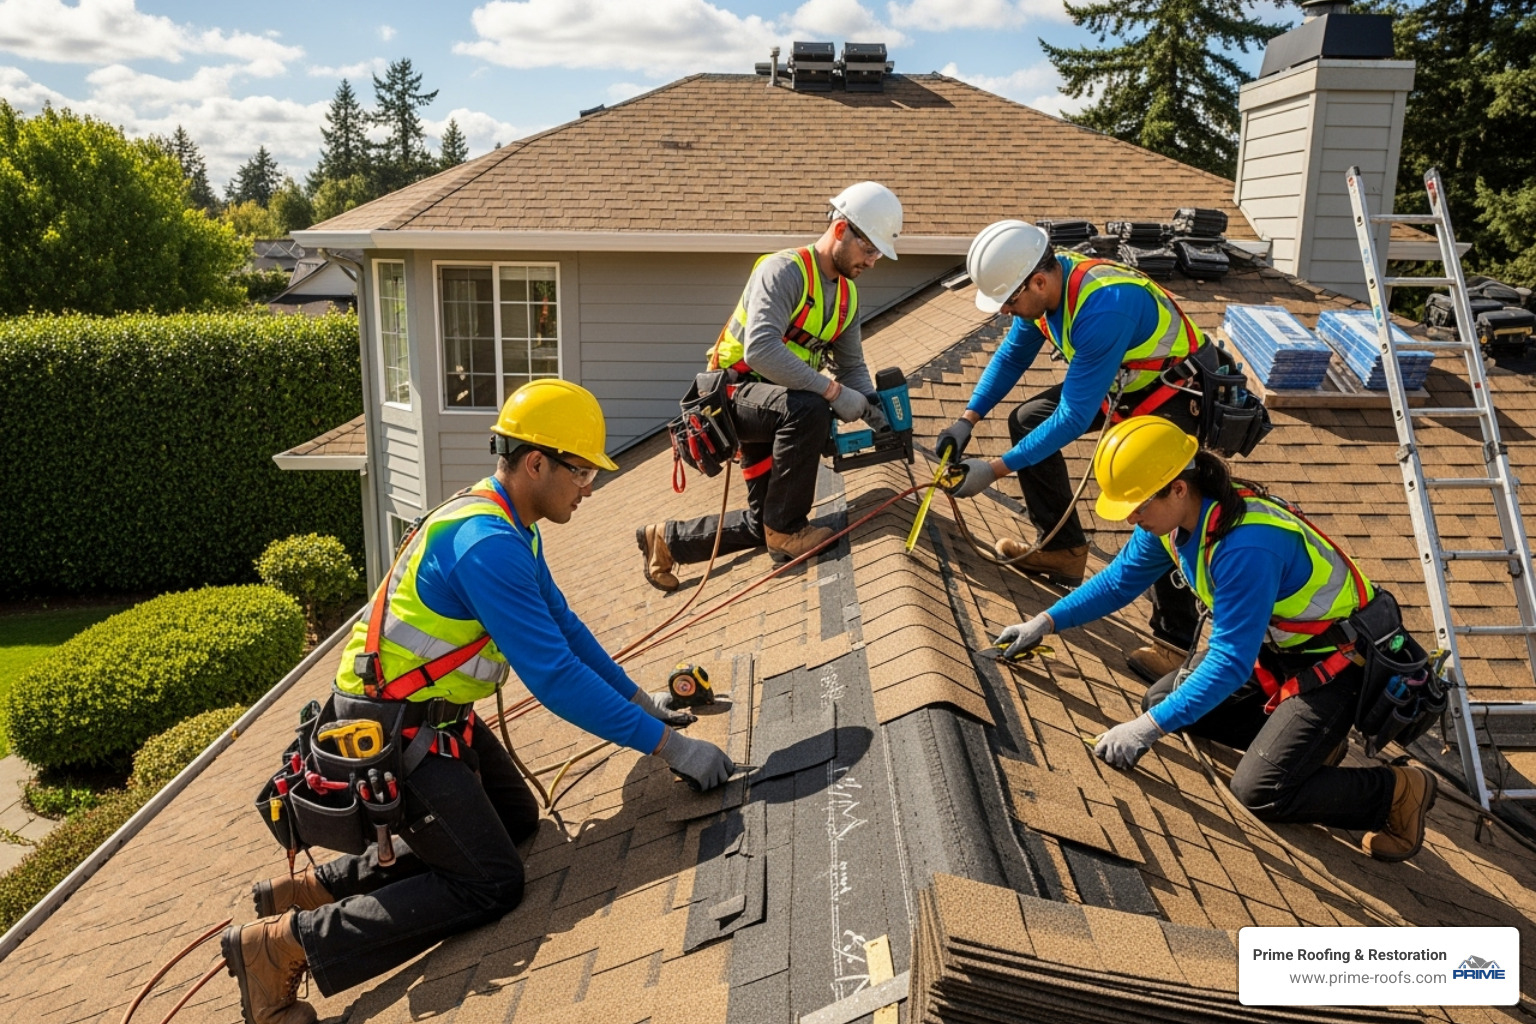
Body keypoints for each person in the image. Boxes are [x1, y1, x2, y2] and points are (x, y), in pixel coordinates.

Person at [222, 380, 735, 1024]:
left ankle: (320, 885)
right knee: (492, 882)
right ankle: (283, 946)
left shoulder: (508, 523)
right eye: (580, 471)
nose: (590, 486)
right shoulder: (486, 546)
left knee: (518, 820)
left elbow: (567, 631)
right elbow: (554, 678)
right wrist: (672, 747)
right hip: (391, 737)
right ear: (536, 463)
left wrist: (641, 699)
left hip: (430, 719)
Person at [994, 417, 1438, 863]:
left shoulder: (1247, 545)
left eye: (1137, 504)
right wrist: (1046, 622)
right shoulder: (1173, 523)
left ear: (1178, 489)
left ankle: (1396, 792)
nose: (1131, 517)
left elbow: (1229, 661)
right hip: (1281, 656)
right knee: (1162, 700)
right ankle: (1314, 746)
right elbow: (1118, 582)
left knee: (1260, 791)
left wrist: (1146, 733)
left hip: (1339, 669)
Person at [936, 220, 1208, 683]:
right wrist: (967, 419)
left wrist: (995, 469)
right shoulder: (1042, 294)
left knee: (1161, 502)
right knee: (1027, 420)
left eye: (1009, 301)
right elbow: (1010, 357)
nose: (1005, 311)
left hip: (1174, 395)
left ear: (1038, 281)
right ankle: (1063, 551)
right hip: (1127, 385)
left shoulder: (1103, 306)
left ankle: (1173, 644)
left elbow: (1074, 417)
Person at [638, 181, 903, 591]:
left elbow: (851, 366)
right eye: (869, 250)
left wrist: (870, 405)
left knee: (766, 519)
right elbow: (760, 349)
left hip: (777, 404)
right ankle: (788, 529)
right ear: (840, 231)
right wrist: (833, 393)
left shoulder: (847, 297)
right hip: (732, 397)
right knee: (810, 410)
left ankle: (668, 541)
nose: (872, 262)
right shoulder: (783, 271)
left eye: (878, 255)